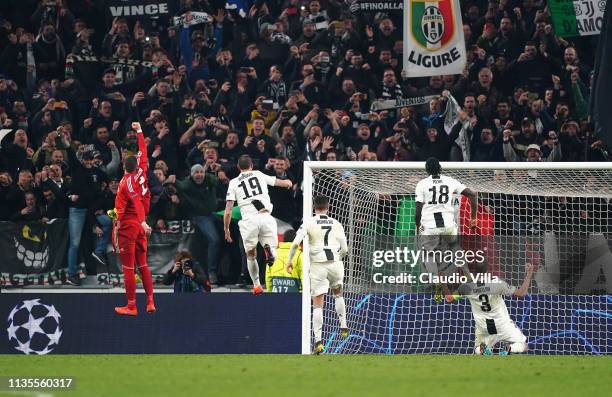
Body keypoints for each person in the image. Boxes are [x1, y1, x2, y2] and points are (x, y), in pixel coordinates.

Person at [287, 195, 348, 355]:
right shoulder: (336, 223)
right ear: (328, 207)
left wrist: (289, 261)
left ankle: (319, 341)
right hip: (335, 263)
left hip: (318, 265)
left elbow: (294, 243)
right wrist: (339, 257)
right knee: (338, 294)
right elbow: (345, 249)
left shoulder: (309, 222)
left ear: (314, 207)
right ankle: (343, 325)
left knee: (318, 304)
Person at [223, 154, 293, 294]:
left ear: (238, 168)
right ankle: (269, 250)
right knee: (273, 249)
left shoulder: (234, 182)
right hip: (266, 216)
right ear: (252, 166)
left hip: (249, 221)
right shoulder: (259, 174)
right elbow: (281, 183)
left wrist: (226, 229)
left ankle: (256, 285)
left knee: (250, 255)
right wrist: (289, 183)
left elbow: (228, 210)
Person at [414, 157, 478, 300]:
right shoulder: (450, 180)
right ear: (440, 168)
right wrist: (473, 217)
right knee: (455, 247)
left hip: (430, 226)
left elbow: (418, 210)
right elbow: (473, 194)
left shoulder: (422, 184)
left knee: (428, 254)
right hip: (449, 224)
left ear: (427, 170)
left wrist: (418, 225)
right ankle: (469, 277)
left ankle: (436, 282)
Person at [447, 262, 537, 355]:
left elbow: (449, 299)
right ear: (487, 269)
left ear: (473, 271)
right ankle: (510, 348)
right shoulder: (497, 283)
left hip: (485, 327)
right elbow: (521, 293)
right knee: (524, 346)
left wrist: (442, 283)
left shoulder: (466, 287)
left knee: (478, 349)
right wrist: (529, 274)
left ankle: (488, 351)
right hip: (502, 324)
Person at [113, 155, 155, 316]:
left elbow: (136, 201)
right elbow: (143, 151)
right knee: (143, 265)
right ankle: (150, 301)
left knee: (128, 268)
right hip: (138, 226)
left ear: (123, 165)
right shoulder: (141, 172)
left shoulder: (127, 182)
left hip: (129, 226)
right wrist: (138, 131)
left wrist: (143, 222)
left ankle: (131, 306)